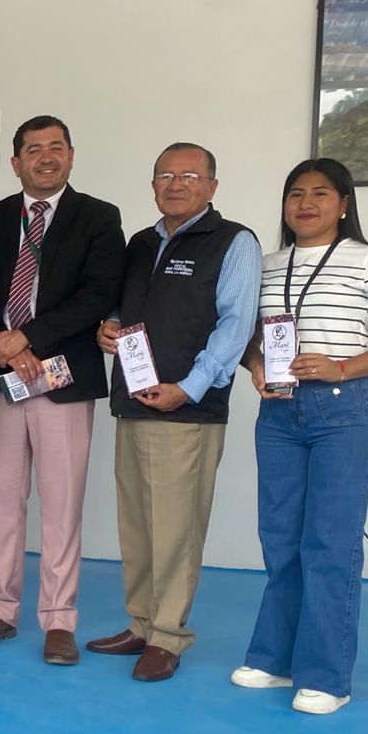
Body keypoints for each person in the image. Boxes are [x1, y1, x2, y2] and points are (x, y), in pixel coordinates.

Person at [233, 158, 368, 714]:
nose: (306, 203)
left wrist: (343, 366)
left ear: (344, 203)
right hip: (279, 413)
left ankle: (327, 676)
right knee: (280, 539)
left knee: (330, 544)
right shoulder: (267, 265)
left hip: (345, 410)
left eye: (320, 193)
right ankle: (273, 659)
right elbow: (245, 337)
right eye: (295, 193)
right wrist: (256, 365)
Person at [90, 142, 260, 681]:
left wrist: (189, 387)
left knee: (176, 529)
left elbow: (236, 325)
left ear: (212, 186)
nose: (176, 184)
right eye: (165, 175)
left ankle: (168, 636)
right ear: (153, 185)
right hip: (133, 401)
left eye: (189, 175)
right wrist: (109, 324)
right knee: (137, 525)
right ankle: (140, 623)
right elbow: (126, 304)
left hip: (187, 409)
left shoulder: (234, 241)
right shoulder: (141, 243)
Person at [0, 116, 125, 664]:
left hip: (63, 381)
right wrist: (6, 345)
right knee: (1, 502)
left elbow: (99, 293)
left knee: (61, 505)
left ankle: (59, 619)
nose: (46, 157)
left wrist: (29, 337)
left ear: (71, 156)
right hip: (0, 379)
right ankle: (0, 610)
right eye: (34, 149)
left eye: (56, 147)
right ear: (16, 163)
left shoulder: (99, 217)